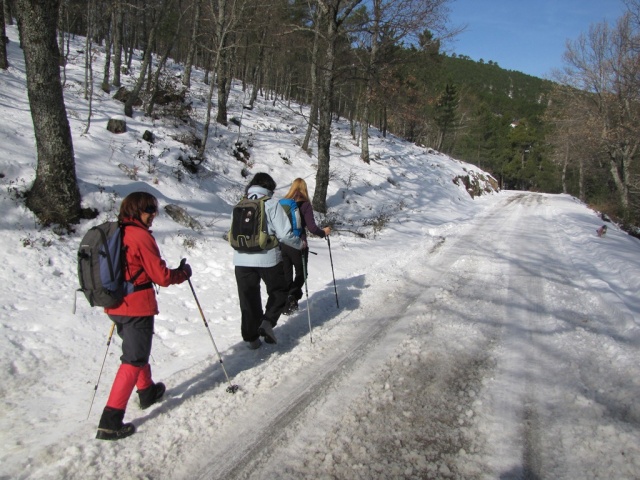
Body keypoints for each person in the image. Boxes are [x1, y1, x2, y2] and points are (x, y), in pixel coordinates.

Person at [96, 192, 192, 441]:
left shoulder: (116, 232)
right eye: (150, 209)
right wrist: (182, 273)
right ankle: (110, 421)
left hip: (116, 305)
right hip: (136, 306)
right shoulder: (140, 236)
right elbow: (161, 277)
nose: (154, 215)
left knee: (136, 352)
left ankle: (147, 390)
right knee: (133, 359)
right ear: (137, 210)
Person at [233, 173, 302, 349]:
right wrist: (299, 243)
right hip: (268, 258)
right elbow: (285, 234)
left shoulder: (240, 203)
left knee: (248, 298)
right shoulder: (271, 204)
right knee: (279, 291)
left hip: (241, 260)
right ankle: (267, 323)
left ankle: (252, 339)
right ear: (270, 188)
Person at [280, 178, 331, 315]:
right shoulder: (305, 204)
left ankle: (287, 305)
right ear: (304, 189)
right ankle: (292, 296)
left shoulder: (283, 203)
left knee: (287, 275)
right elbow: (312, 228)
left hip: (283, 243)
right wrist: (323, 233)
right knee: (302, 274)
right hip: (298, 244)